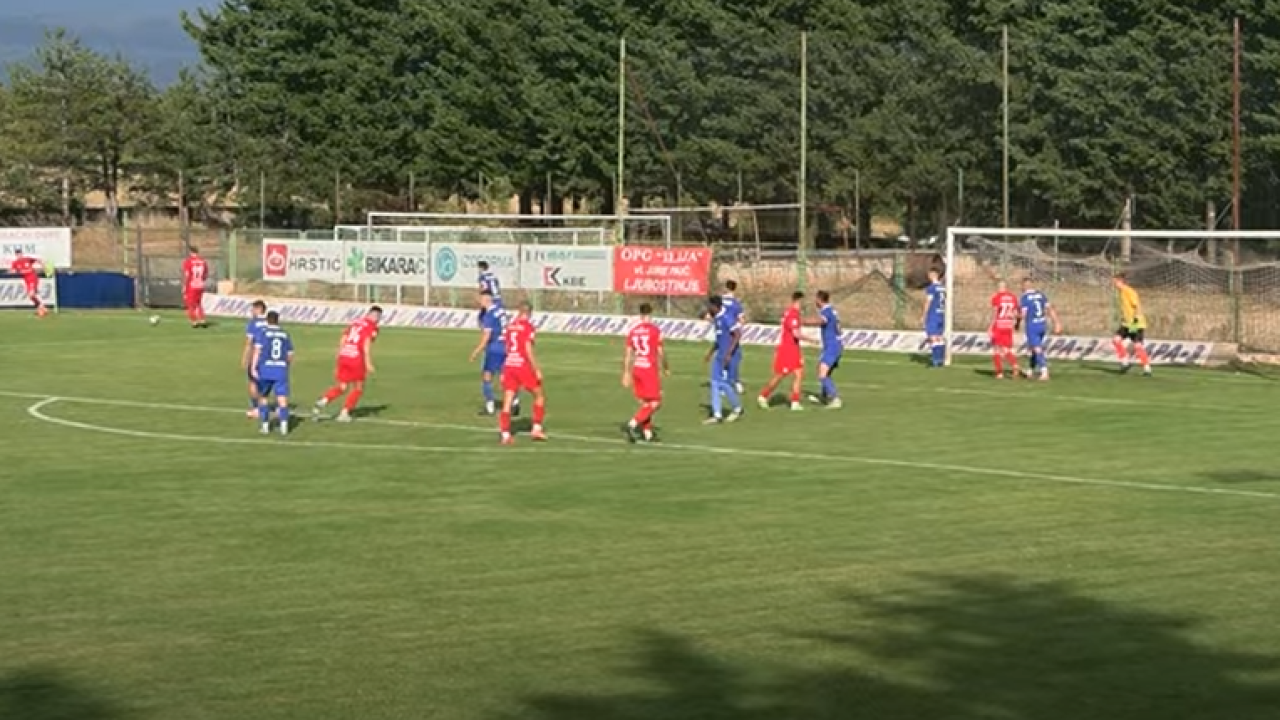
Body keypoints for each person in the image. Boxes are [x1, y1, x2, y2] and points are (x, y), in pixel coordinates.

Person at [313, 306, 382, 422]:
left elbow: (343, 338)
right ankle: (344, 413)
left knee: (342, 387)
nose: (378, 319)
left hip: (344, 355)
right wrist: (368, 362)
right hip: (356, 358)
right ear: (375, 316)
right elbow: (366, 344)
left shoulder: (355, 323)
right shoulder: (372, 327)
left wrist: (339, 354)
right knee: (358, 388)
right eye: (378, 317)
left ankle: (324, 400)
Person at [499, 302, 547, 444]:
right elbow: (527, 349)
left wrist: (504, 368)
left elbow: (507, 348)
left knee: (507, 400)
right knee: (539, 396)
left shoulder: (509, 327)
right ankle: (536, 428)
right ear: (529, 313)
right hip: (523, 366)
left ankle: (505, 435)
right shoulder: (528, 327)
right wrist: (536, 368)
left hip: (509, 366)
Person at [623, 302, 668, 443]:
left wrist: (626, 373)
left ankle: (647, 433)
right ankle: (633, 424)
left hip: (637, 369)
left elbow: (628, 354)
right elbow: (660, 352)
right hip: (649, 369)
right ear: (651, 314)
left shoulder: (633, 331)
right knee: (656, 402)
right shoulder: (655, 331)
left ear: (640, 314)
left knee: (646, 404)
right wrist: (666, 367)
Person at [757, 291, 805, 411]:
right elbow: (795, 334)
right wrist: (812, 339)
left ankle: (795, 402)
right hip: (787, 349)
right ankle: (763, 395)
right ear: (798, 301)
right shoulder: (793, 314)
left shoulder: (791, 313)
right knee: (780, 375)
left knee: (799, 374)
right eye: (802, 302)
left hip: (794, 348)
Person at [250, 310, 293, 436]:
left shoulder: (263, 333)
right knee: (282, 398)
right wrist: (286, 366)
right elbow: (290, 355)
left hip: (266, 368)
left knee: (263, 397)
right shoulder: (285, 334)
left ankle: (265, 426)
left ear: (267, 320)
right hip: (280, 369)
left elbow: (257, 350)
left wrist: (253, 367)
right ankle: (284, 427)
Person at [703, 296, 743, 424]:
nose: (708, 308)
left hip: (728, 355)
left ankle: (736, 408)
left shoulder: (726, 317)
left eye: (710, 306)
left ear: (716, 306)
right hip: (720, 354)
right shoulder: (717, 318)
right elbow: (720, 338)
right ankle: (718, 414)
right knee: (716, 382)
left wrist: (729, 354)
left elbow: (737, 334)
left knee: (722, 383)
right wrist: (710, 352)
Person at [470, 289, 507, 415]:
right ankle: (514, 402)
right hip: (506, 346)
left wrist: (476, 351)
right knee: (505, 377)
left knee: (487, 376)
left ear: (486, 299)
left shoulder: (489, 315)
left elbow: (486, 336)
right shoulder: (501, 310)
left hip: (494, 348)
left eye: (481, 299)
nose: (479, 302)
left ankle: (490, 405)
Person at [1019, 278, 1062, 380]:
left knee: (1037, 348)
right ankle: (1030, 370)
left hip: (1032, 325)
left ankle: (1044, 371)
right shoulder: (1041, 295)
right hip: (1042, 324)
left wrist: (1015, 316)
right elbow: (1050, 309)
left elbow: (1023, 315)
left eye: (1022, 285)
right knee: (1035, 348)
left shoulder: (1024, 298)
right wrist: (1057, 323)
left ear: (1025, 286)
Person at [806, 290, 843, 408]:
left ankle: (835, 398)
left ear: (819, 300)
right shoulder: (833, 311)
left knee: (822, 374)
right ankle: (824, 396)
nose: (814, 301)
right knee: (825, 371)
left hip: (832, 346)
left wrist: (801, 321)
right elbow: (839, 328)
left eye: (816, 299)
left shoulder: (826, 312)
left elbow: (821, 321)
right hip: (836, 345)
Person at [1112, 273, 1151, 376]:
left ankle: (1147, 368)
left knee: (1137, 346)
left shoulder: (1129, 291)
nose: (1114, 284)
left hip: (1136, 324)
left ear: (1120, 281)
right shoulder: (1121, 292)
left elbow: (1137, 306)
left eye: (1115, 282)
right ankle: (1125, 361)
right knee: (1116, 340)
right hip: (1127, 324)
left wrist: (1134, 322)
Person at [241, 300, 270, 418]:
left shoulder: (253, 323)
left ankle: (257, 408)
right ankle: (262, 407)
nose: (251, 312)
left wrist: (245, 358)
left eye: (253, 309)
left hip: (256, 357)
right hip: (270, 358)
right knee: (266, 385)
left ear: (259, 309)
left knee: (253, 383)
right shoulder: (270, 322)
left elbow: (249, 343)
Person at [989, 280, 1020, 379]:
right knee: (1006, 349)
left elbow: (995, 313)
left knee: (996, 349)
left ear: (1000, 287)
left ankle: (999, 373)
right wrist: (1015, 322)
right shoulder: (1013, 297)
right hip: (1008, 325)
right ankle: (1014, 364)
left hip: (999, 325)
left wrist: (990, 327)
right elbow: (1015, 313)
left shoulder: (997, 297)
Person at [721, 280, 746, 393]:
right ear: (734, 289)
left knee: (724, 356)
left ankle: (724, 382)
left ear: (725, 288)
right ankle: (735, 382)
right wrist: (739, 326)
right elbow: (741, 320)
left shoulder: (720, 302)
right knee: (735, 357)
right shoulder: (736, 304)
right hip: (732, 333)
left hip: (722, 332)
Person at [9, 250, 46, 317]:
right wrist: (13, 271)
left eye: (20, 254)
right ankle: (42, 308)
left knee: (31, 294)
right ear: (16, 255)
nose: (19, 256)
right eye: (17, 255)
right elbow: (12, 270)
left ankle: (41, 310)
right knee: (31, 296)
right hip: (27, 281)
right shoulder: (15, 263)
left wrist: (43, 266)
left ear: (22, 254)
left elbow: (38, 260)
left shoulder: (27, 259)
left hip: (33, 278)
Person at [921, 268, 946, 367]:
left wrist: (924, 315)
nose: (929, 277)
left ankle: (935, 360)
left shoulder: (931, 288)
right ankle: (940, 359)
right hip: (941, 314)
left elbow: (928, 302)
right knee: (939, 338)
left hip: (933, 315)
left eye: (930, 275)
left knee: (933, 337)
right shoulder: (943, 287)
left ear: (933, 275)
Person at [182, 247, 210, 328]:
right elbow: (205, 275)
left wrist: (184, 286)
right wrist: (201, 281)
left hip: (192, 285)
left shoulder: (188, 262)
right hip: (200, 285)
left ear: (191, 252)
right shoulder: (203, 261)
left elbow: (187, 275)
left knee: (190, 304)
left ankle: (194, 322)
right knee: (198, 303)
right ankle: (202, 320)